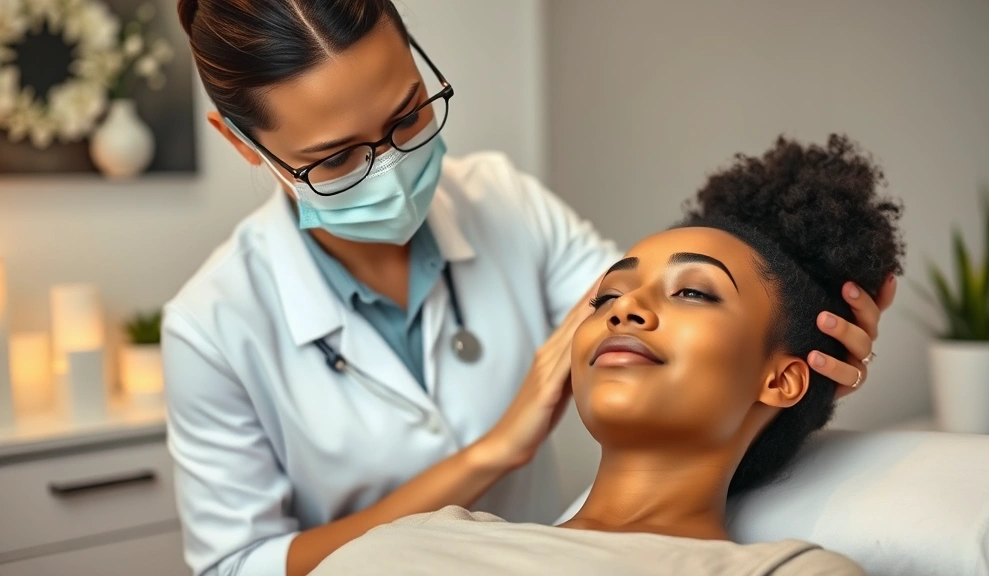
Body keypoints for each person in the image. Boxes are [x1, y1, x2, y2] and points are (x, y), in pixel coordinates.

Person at [167, 1, 897, 575]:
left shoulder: (506, 204)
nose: (390, 170)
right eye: (336, 160)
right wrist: (493, 452)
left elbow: (668, 324)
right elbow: (240, 566)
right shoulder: (214, 326)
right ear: (241, 142)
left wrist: (813, 340)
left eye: (408, 116)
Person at [309, 134, 904, 575]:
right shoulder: (407, 547)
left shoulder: (790, 574)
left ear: (782, 379)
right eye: (608, 296)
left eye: (694, 291)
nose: (622, 310)